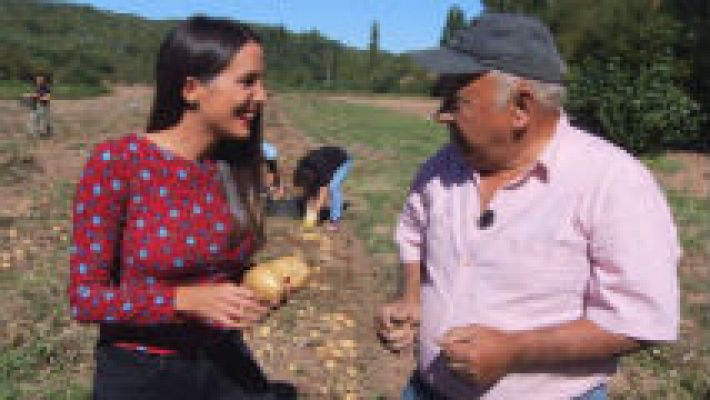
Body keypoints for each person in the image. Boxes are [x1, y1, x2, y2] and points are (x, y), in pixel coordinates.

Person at [376, 13, 680, 400]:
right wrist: (410, 299)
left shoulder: (613, 182)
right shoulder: (441, 167)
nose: (440, 115)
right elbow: (413, 233)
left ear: (521, 107)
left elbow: (640, 319)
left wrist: (515, 351)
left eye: (457, 101)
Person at [68, 16, 296, 399]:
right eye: (248, 81)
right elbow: (85, 297)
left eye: (262, 82)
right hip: (143, 372)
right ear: (192, 89)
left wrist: (256, 288)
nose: (262, 96)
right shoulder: (120, 161)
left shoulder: (232, 168)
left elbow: (226, 269)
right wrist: (183, 301)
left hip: (223, 355)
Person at [293, 146, 352, 232]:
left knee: (333, 187)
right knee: (312, 191)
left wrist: (315, 211)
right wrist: (309, 202)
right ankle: (311, 211)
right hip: (324, 161)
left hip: (343, 161)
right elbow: (306, 187)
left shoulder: (321, 171)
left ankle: (335, 221)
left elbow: (323, 192)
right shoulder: (301, 168)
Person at [27, 73, 52, 138]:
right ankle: (33, 133)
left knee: (42, 120)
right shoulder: (36, 87)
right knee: (33, 119)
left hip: (43, 106)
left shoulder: (46, 87)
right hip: (35, 105)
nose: (38, 80)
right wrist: (30, 96)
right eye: (37, 79)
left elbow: (48, 97)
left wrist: (38, 97)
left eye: (40, 78)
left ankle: (44, 133)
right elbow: (34, 95)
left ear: (43, 79)